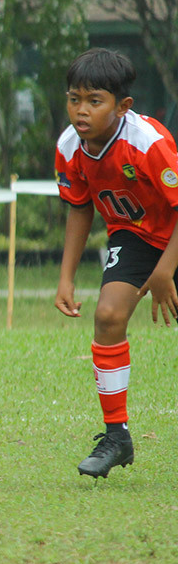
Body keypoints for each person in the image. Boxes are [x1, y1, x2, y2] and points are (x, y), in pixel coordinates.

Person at [54, 47, 178, 479]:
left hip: (173, 234)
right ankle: (117, 437)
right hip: (135, 235)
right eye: (74, 98)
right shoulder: (69, 147)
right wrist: (66, 277)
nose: (81, 110)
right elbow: (80, 207)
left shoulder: (148, 143)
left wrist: (164, 270)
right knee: (108, 315)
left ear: (123, 106)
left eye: (94, 100)